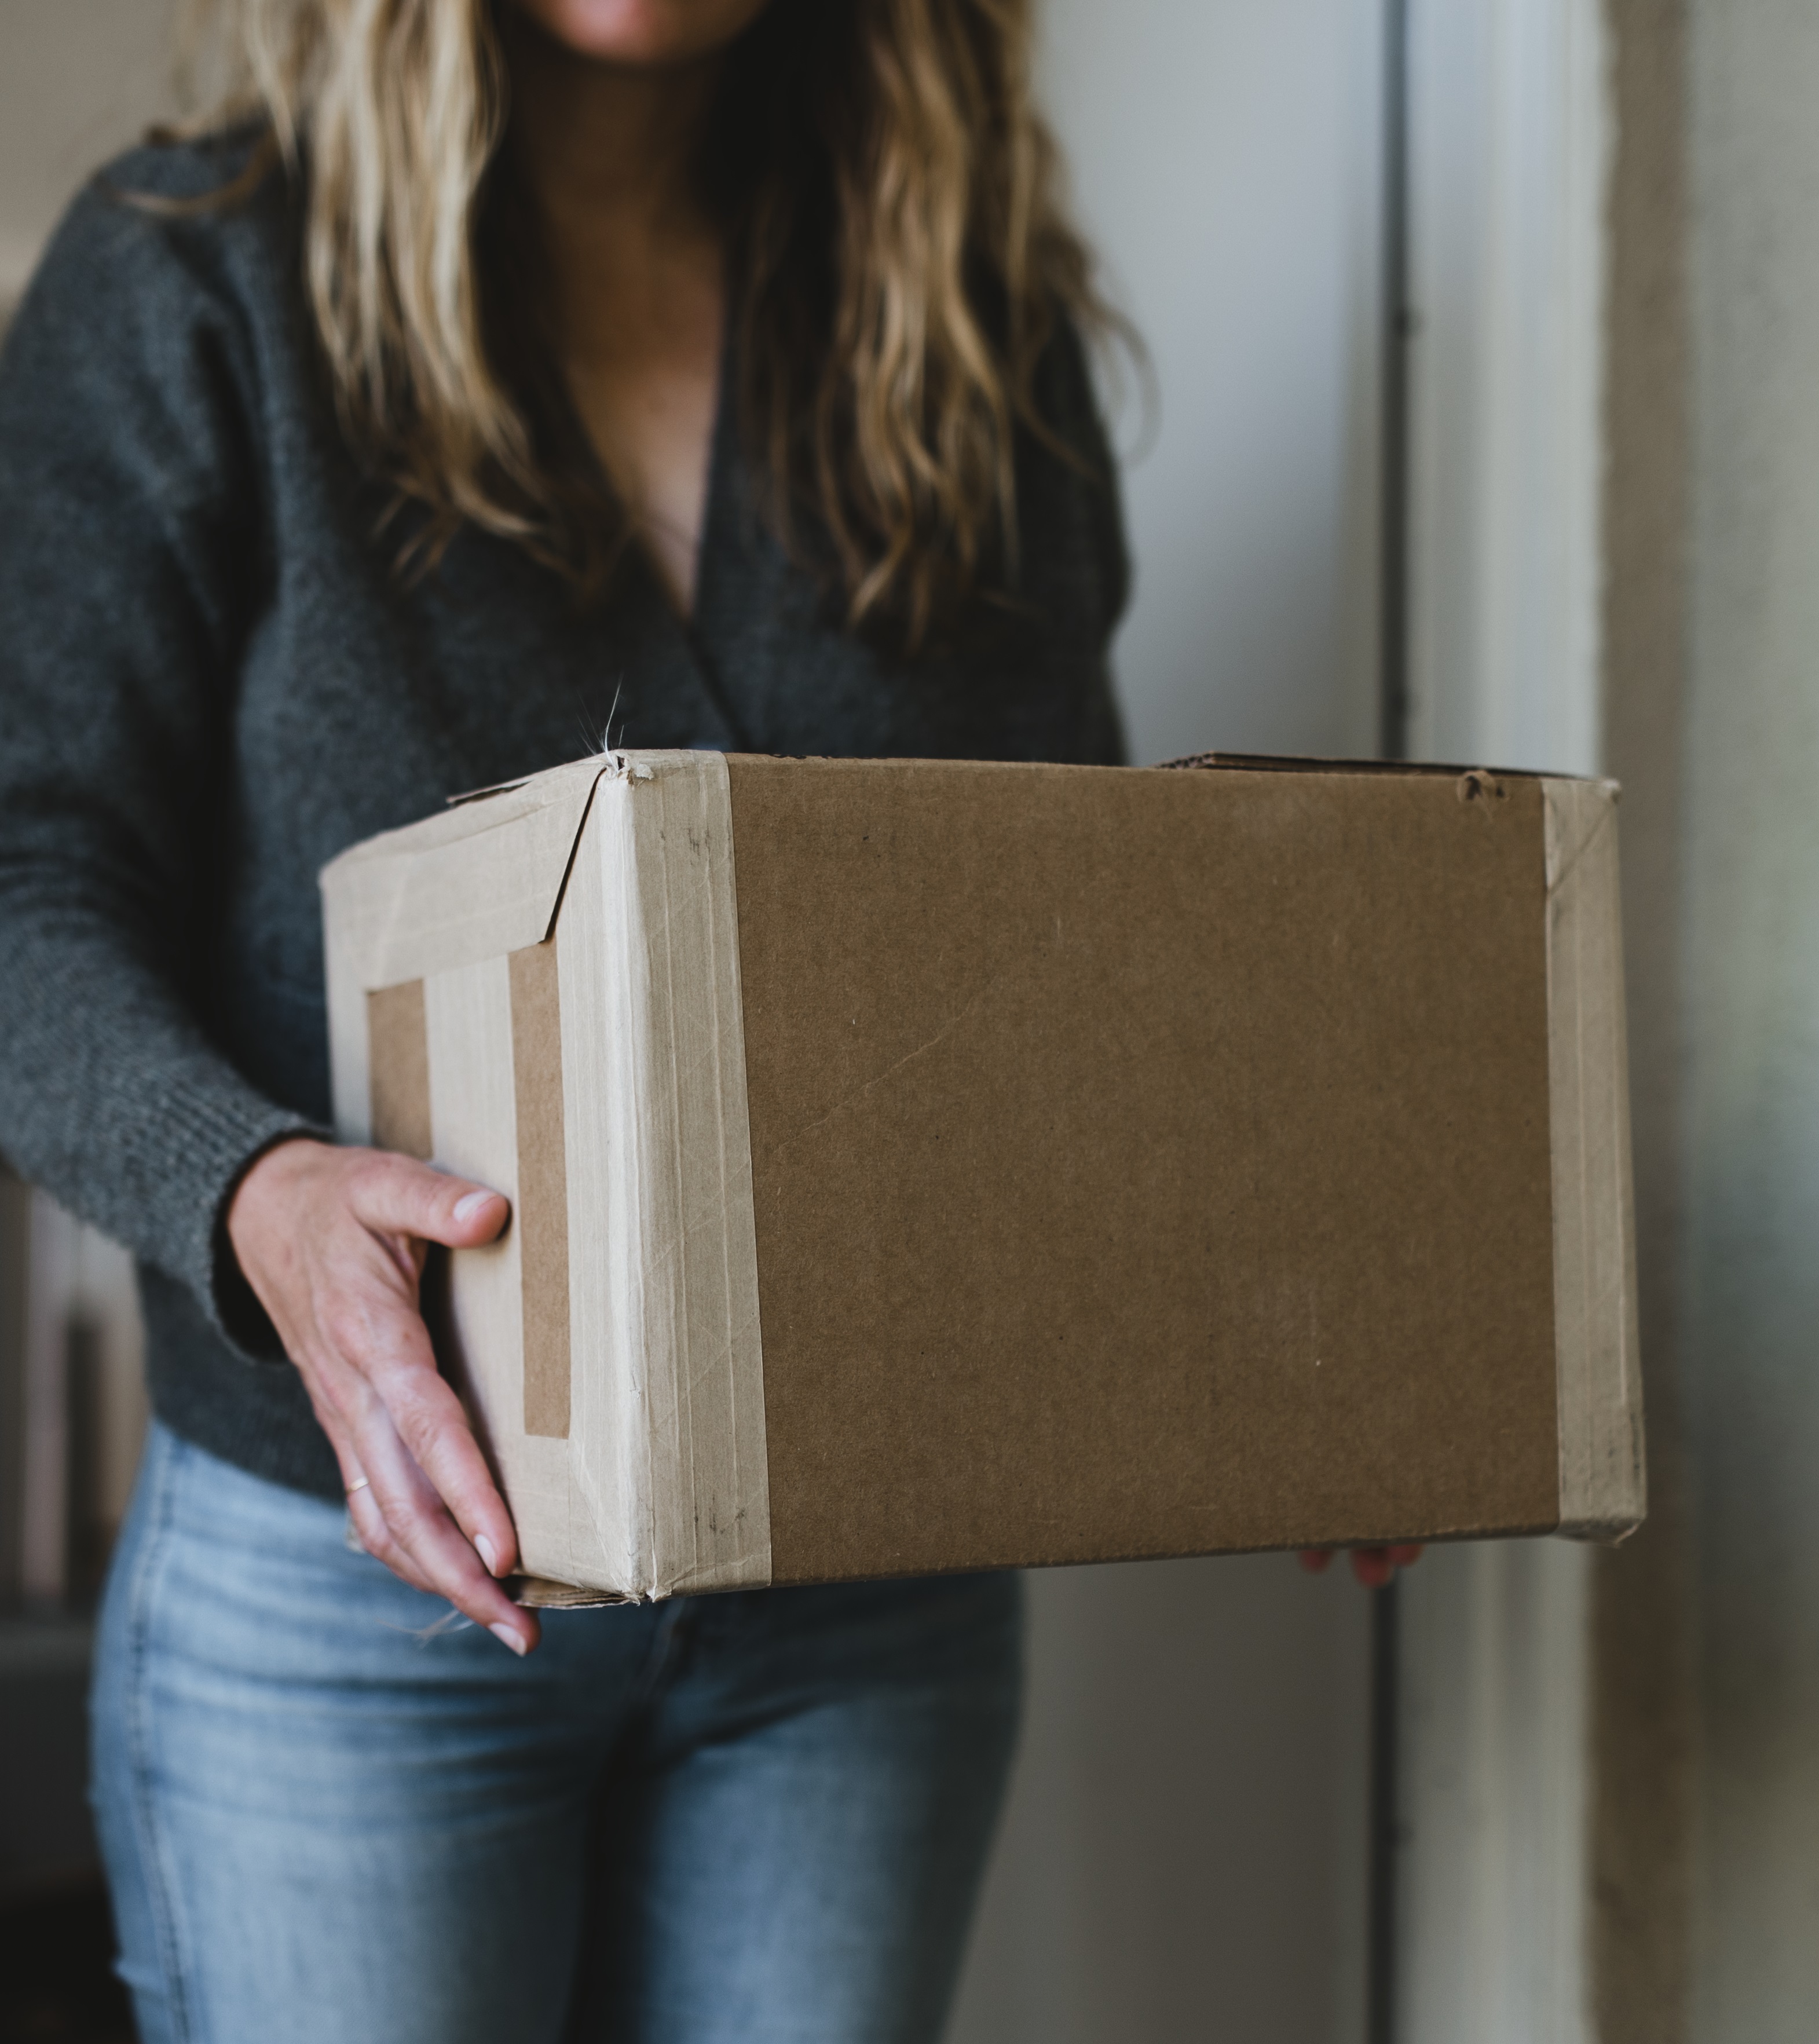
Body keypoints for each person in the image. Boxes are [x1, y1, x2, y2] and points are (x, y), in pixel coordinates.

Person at [0, 2, 1417, 2038]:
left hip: (863, 1600)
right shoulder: (195, 279)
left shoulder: (972, 337)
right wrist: (260, 1197)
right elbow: (27, 879)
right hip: (360, 1590)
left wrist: (1296, 1326)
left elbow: (1079, 952)